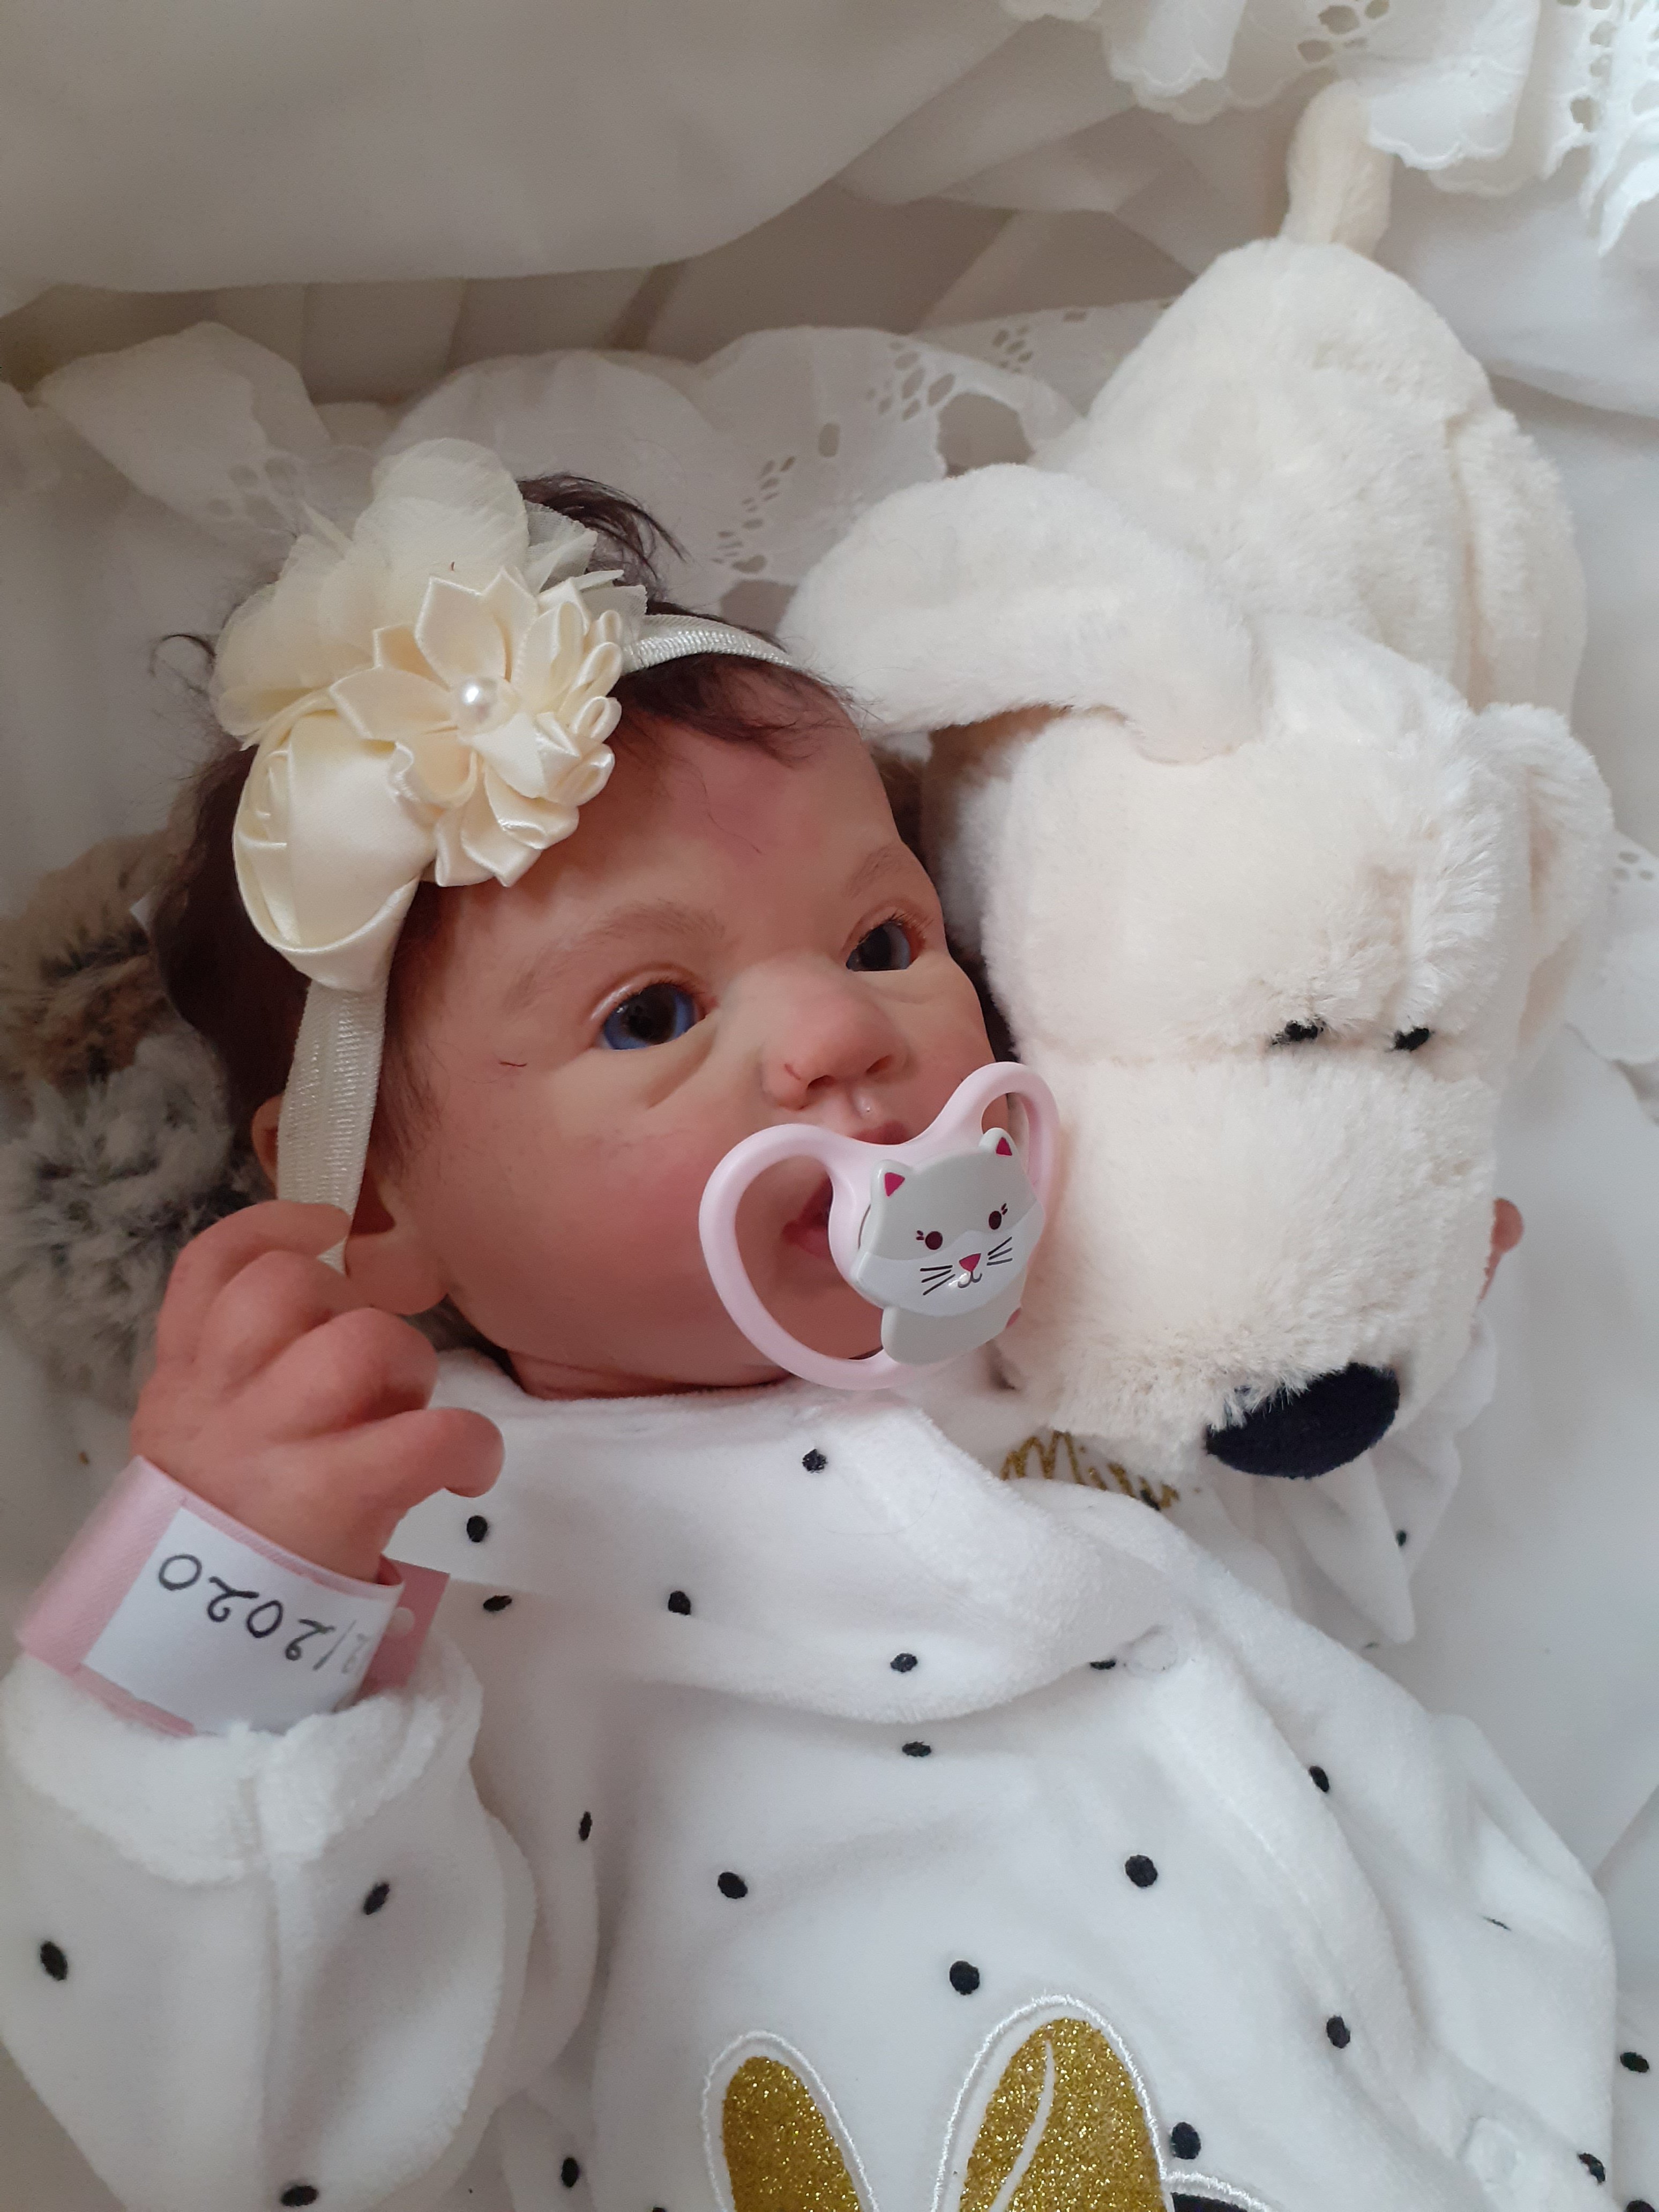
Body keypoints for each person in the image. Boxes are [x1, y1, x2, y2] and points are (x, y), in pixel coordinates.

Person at [0, 446, 1618, 2212]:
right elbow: (269, 2113)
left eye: (880, 936)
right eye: (654, 1011)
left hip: (1489, 2092)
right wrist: (236, 1616)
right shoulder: (445, 1536)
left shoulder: (1055, 1314)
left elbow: (1289, 1597)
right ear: (374, 1206)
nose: (840, 1034)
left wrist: (1358, 1376)